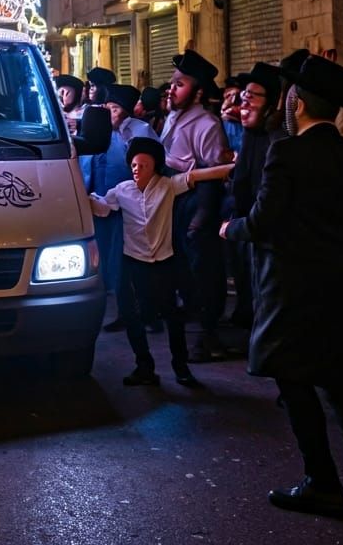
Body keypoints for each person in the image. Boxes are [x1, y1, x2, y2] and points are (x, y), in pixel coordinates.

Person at [220, 55, 343, 516]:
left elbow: (264, 221)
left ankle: (322, 479)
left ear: (298, 104)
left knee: (294, 380)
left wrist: (233, 228)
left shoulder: (286, 152)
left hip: (292, 288)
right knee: (334, 370)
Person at [89, 136, 234, 389]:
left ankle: (181, 367)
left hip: (164, 262)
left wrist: (235, 167)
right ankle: (144, 366)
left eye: (143, 165)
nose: (136, 170)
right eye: (134, 165)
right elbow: (102, 207)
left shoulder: (168, 186)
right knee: (134, 317)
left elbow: (197, 176)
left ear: (154, 166)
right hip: (134, 262)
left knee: (172, 317)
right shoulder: (122, 191)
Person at [160, 49, 231, 362]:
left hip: (196, 200)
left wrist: (202, 216)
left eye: (180, 84)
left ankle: (209, 334)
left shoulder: (207, 125)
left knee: (204, 269)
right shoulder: (173, 117)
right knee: (180, 268)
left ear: (198, 92)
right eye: (172, 83)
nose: (172, 89)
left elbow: (215, 175)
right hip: (172, 197)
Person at [82, 84, 157, 334]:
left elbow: (150, 171)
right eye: (107, 109)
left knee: (136, 265)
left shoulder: (139, 131)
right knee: (112, 266)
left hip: (131, 210)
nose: (110, 114)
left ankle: (149, 315)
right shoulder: (99, 133)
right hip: (102, 207)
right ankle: (126, 314)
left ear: (126, 112)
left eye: (114, 109)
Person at [220, 62, 283, 333]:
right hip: (245, 223)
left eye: (252, 96)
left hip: (267, 229)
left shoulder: (277, 139)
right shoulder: (250, 134)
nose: (243, 101)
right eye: (243, 95)